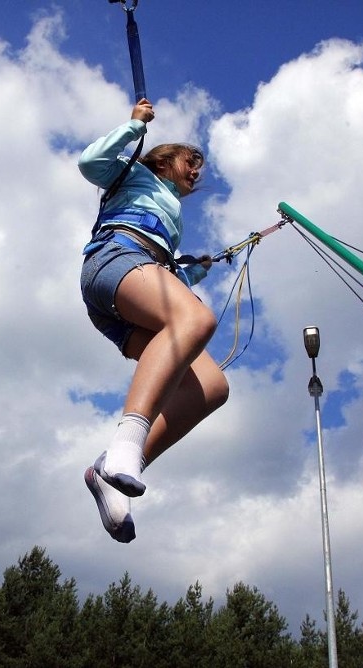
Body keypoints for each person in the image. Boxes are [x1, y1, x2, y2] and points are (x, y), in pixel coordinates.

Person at [78, 98, 229, 543]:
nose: (196, 172)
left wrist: (194, 270)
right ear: (164, 161)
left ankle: (111, 469)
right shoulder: (134, 173)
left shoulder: (170, 210)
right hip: (112, 261)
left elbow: (160, 274)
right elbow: (90, 162)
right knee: (196, 319)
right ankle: (126, 446)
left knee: (211, 387)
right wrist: (132, 126)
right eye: (190, 162)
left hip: (132, 286)